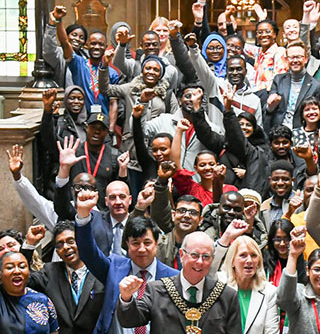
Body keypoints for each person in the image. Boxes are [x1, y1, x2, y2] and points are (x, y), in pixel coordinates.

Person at [74, 190, 178, 334]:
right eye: (135, 243)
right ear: (127, 245)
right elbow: (87, 253)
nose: (142, 249)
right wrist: (83, 215)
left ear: (156, 244)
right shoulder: (115, 267)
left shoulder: (172, 278)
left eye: (147, 243)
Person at [116, 231, 244, 334]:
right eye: (194, 255)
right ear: (182, 255)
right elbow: (130, 321)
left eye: (206, 257)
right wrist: (126, 298)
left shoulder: (226, 296)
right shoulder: (157, 290)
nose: (199, 262)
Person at [26, 221, 105, 334]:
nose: (66, 247)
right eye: (60, 244)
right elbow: (23, 281)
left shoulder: (101, 269)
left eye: (71, 241)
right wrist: (29, 245)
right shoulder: (50, 271)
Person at [99, 48, 178, 197]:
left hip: (156, 156)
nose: (151, 72)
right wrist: (104, 66)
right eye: (148, 68)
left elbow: (174, 120)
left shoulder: (167, 94)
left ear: (161, 73)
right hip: (133, 153)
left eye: (156, 69)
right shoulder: (130, 88)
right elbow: (105, 90)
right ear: (142, 70)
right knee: (133, 196)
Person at [178, 31, 262, 127]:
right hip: (218, 138)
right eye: (231, 69)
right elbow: (202, 69)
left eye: (239, 69)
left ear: (246, 72)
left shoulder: (254, 100)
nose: (235, 73)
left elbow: (258, 129)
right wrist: (193, 48)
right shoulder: (216, 85)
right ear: (226, 71)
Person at [142, 83, 223, 172]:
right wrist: (143, 104)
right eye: (188, 96)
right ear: (179, 100)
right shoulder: (164, 120)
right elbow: (141, 130)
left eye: (198, 97)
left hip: (197, 182)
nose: (192, 99)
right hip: (168, 179)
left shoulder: (213, 129)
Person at [57, 115, 129, 212]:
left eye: (101, 129)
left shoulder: (114, 156)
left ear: (107, 132)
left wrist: (123, 170)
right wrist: (64, 168)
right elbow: (62, 187)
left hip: (103, 214)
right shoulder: (73, 154)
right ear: (86, 128)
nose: (97, 132)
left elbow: (121, 189)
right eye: (93, 127)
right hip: (75, 211)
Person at [218, 235, 279, 334]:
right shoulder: (220, 284)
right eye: (243, 255)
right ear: (232, 261)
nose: (249, 260)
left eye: (254, 255)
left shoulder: (269, 292)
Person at [170, 118, 238, 207]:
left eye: (211, 164)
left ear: (217, 165)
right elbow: (176, 166)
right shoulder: (191, 188)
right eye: (202, 165)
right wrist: (179, 131)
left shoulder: (231, 190)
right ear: (196, 168)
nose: (207, 168)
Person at [264, 41, 320, 133]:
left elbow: (318, 116)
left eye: (299, 57)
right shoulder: (278, 80)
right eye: (291, 57)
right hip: (279, 133)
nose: (295, 60)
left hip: (303, 134)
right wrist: (270, 106)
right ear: (287, 60)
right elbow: (269, 109)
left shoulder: (316, 86)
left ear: (306, 59)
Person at [44, 5, 88, 87]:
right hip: (65, 96)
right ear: (66, 36)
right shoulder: (59, 53)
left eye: (81, 38)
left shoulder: (86, 55)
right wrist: (52, 24)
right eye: (74, 35)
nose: (77, 39)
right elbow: (48, 48)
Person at [244, 18, 289, 93]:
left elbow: (280, 78)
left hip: (270, 94)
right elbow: (242, 46)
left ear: (274, 35)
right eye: (260, 32)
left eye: (268, 31)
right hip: (257, 95)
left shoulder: (279, 52)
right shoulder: (258, 52)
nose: (264, 35)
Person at [265, 219, 306, 286]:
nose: (282, 244)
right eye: (278, 239)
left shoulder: (299, 259)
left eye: (286, 239)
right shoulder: (264, 259)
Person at [260, 161, 296, 231]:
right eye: (275, 179)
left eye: (285, 179)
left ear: (292, 180)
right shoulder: (264, 207)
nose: (280, 183)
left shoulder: (301, 202)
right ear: (270, 180)